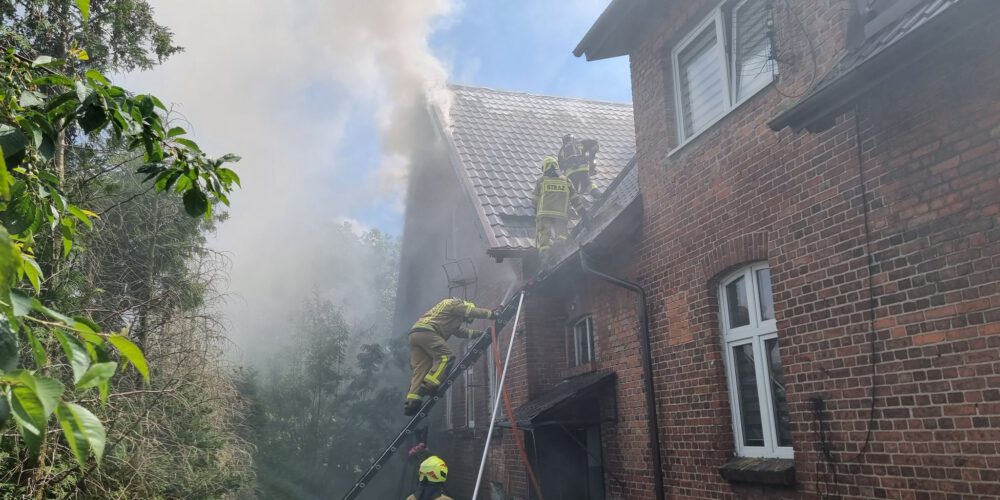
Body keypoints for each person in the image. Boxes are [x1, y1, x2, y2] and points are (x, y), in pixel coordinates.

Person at [404, 298, 495, 416]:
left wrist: (478, 334)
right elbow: (471, 312)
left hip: (415, 333)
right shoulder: (456, 304)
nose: (463, 320)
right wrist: (492, 314)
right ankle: (429, 385)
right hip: (428, 331)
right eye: (464, 318)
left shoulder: (446, 314)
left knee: (420, 368)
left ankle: (412, 403)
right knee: (446, 357)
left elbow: (459, 332)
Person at [534, 156, 579, 253]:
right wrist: (582, 212)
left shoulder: (541, 180)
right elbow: (575, 198)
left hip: (544, 214)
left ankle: (545, 255)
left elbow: (534, 199)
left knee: (545, 235)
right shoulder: (566, 180)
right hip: (560, 215)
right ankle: (559, 247)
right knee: (561, 233)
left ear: (545, 167)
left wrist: (536, 211)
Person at [557, 134, 602, 200]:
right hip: (583, 169)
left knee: (573, 190)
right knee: (588, 184)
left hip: (570, 174)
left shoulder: (561, 151)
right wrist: (592, 155)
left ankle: (577, 202)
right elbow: (595, 144)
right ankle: (598, 195)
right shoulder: (580, 143)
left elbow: (559, 167)